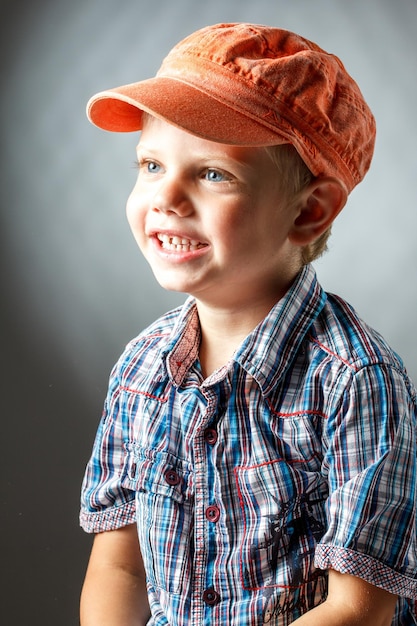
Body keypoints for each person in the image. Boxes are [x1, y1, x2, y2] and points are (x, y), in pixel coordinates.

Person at [79, 22, 417, 625]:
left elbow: (359, 606)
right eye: (152, 164)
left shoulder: (357, 380)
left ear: (309, 211)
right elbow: (120, 567)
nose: (166, 197)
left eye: (213, 174)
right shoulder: (140, 369)